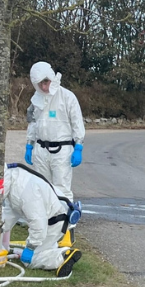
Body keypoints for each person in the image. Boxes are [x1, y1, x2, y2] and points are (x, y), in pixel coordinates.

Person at [0, 164, 82, 277]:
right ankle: (50, 251)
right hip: (54, 216)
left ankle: (63, 256)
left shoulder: (25, 193)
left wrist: (31, 247)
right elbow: (11, 211)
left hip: (56, 221)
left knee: (30, 260)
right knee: (44, 247)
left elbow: (39, 225)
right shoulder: (15, 180)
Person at [25, 61, 85, 201]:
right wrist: (29, 144)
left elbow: (77, 122)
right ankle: (44, 220)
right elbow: (33, 123)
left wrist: (79, 146)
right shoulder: (36, 100)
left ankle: (64, 220)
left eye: (46, 82)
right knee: (41, 186)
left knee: (61, 188)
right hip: (41, 149)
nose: (44, 87)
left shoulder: (67, 97)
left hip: (62, 151)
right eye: (40, 84)